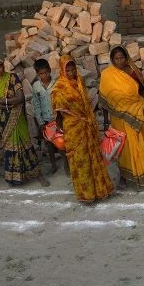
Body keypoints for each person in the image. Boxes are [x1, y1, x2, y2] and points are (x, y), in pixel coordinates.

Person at [50, 56, 114, 204]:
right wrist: (62, 130)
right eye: (68, 69)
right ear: (62, 70)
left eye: (73, 69)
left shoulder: (79, 82)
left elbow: (86, 106)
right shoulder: (59, 88)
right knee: (80, 161)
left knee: (94, 159)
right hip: (73, 130)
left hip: (87, 127)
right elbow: (58, 113)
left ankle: (99, 190)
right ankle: (86, 194)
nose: (71, 72)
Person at [0, 54, 46, 187]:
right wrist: (5, 103)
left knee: (26, 143)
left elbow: (20, 98)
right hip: (3, 120)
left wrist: (3, 102)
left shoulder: (12, 77)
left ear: (2, 65)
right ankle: (16, 177)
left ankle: (37, 174)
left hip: (17, 117)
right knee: (11, 148)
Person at [99, 46, 144, 187]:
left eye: (122, 58)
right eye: (116, 58)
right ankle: (125, 176)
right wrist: (105, 122)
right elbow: (104, 100)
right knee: (125, 148)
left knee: (140, 143)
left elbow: (143, 89)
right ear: (112, 59)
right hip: (119, 118)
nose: (119, 61)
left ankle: (143, 174)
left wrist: (143, 104)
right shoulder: (107, 75)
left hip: (137, 113)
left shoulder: (133, 70)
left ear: (126, 57)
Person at [29, 59, 60, 175]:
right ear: (37, 74)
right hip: (46, 120)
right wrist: (40, 122)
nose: (44, 75)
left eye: (46, 72)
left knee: (61, 142)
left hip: (57, 118)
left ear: (50, 71)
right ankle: (53, 165)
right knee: (49, 144)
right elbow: (36, 105)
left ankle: (67, 164)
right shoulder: (36, 86)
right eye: (41, 73)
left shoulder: (56, 83)